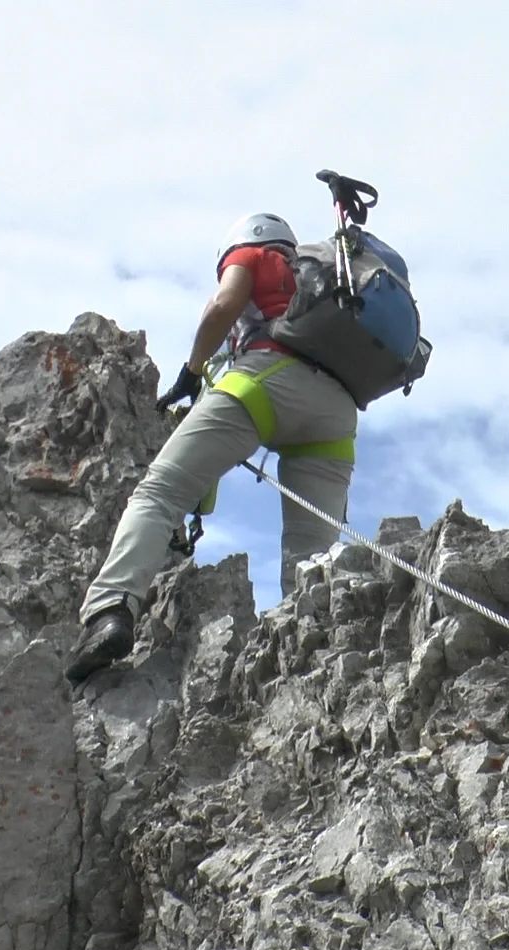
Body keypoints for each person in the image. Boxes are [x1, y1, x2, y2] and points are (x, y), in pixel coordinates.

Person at [65, 212, 360, 683]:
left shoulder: (255, 254)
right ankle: (315, 656)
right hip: (338, 415)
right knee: (313, 553)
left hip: (267, 381)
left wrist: (193, 368)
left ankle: (109, 612)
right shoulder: (332, 283)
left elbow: (225, 304)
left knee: (160, 494)